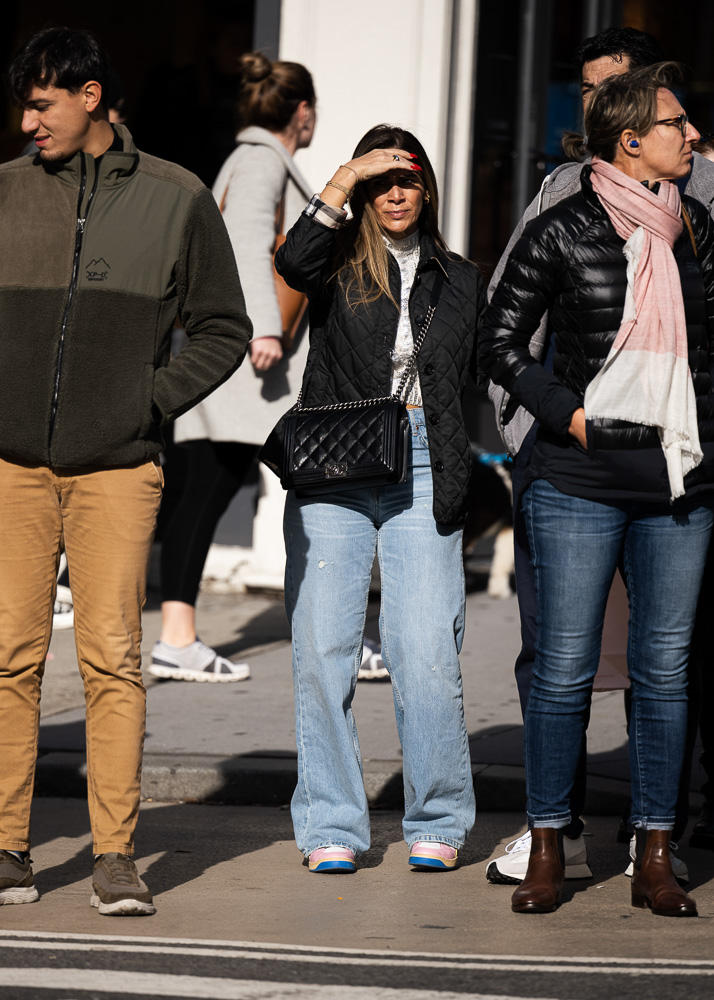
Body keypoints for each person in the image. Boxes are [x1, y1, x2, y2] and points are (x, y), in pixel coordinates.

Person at [0, 27, 251, 913]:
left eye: (42, 102)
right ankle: (7, 847)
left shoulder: (177, 197)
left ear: (92, 96)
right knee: (8, 658)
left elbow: (224, 326)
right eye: (25, 104)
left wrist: (148, 402)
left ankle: (113, 855)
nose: (27, 120)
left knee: (113, 659)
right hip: (12, 466)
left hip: (118, 466)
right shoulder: (5, 195)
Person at [480, 62, 714, 915]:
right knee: (566, 670)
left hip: (680, 487)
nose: (692, 135)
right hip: (577, 480)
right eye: (677, 124)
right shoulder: (564, 226)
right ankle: (548, 844)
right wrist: (569, 417)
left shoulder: (701, 232)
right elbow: (499, 340)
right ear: (631, 141)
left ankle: (656, 851)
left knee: (665, 671)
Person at [275, 124, 485, 873]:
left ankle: (437, 816)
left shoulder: (460, 278)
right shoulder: (334, 262)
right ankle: (331, 824)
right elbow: (290, 262)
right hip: (336, 464)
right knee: (322, 650)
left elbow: (483, 372)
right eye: (380, 181)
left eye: (408, 179)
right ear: (364, 192)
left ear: (428, 190)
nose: (395, 192)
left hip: (425, 460)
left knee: (423, 648)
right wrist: (342, 174)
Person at [150, 51, 315, 684]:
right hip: (247, 365)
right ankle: (179, 637)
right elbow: (246, 242)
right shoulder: (260, 161)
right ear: (302, 113)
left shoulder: (247, 159)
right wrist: (265, 330)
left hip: (229, 361)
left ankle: (178, 636)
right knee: (226, 492)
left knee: (203, 493)